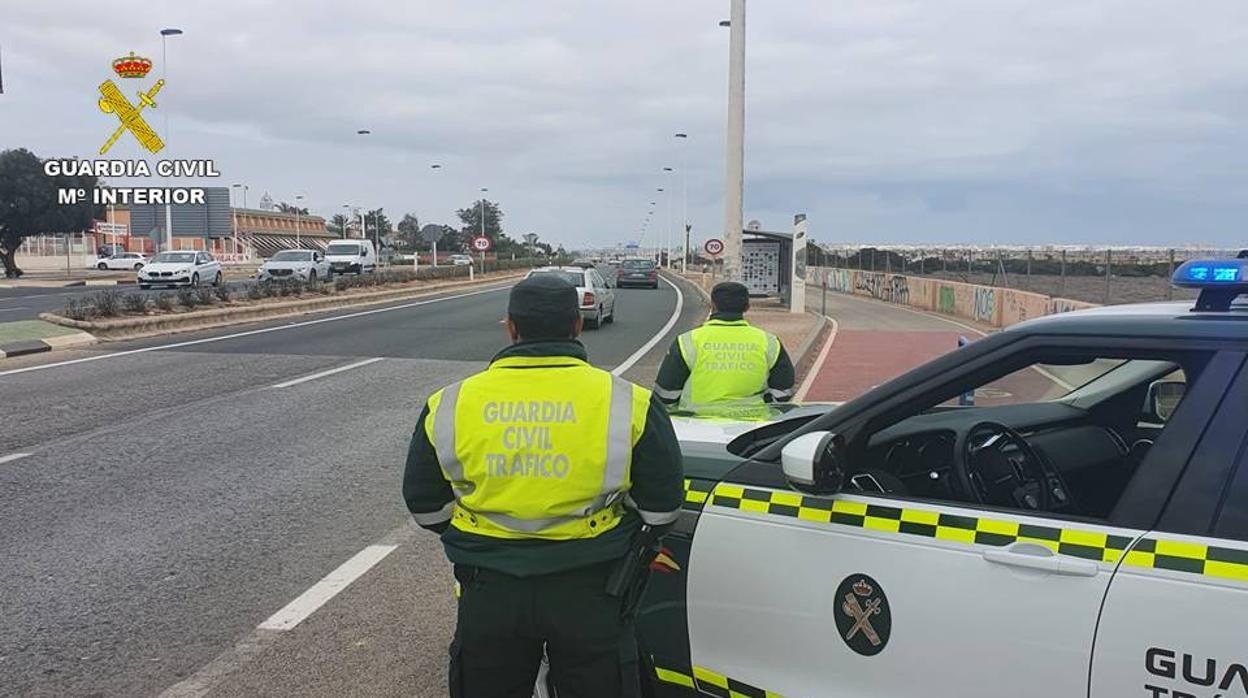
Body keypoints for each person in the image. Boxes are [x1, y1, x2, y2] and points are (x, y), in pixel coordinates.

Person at [403, 274, 684, 698]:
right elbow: (661, 510)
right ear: (577, 324)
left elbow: (425, 507)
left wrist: (483, 536)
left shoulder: (450, 402)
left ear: (510, 328)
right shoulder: (631, 402)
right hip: (593, 587)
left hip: (489, 588)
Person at [653, 280, 796, 418]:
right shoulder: (769, 342)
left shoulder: (687, 341)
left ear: (713, 305)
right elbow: (783, 393)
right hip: (752, 427)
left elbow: (665, 394)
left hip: (697, 423)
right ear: (747, 307)